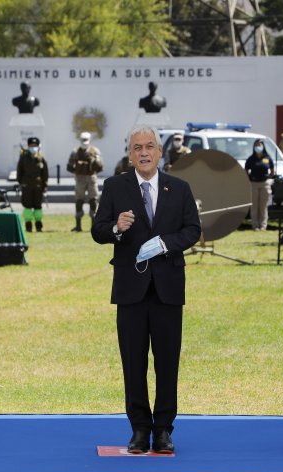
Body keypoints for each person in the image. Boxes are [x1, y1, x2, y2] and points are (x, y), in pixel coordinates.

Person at [91, 125, 201, 454]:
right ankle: (139, 429)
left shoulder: (178, 188)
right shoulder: (115, 187)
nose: (143, 152)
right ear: (129, 154)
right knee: (133, 363)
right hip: (130, 291)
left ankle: (164, 430)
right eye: (136, 147)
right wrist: (116, 227)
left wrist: (166, 244)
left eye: (149, 146)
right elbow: (98, 231)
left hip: (167, 289)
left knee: (167, 363)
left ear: (159, 152)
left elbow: (192, 229)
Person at [67, 131, 104, 232]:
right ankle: (78, 225)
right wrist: (78, 171)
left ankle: (94, 225)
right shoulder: (75, 152)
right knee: (79, 200)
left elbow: (101, 166)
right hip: (80, 178)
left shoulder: (95, 151)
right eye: (83, 140)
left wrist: (94, 165)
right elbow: (69, 166)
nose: (84, 142)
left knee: (93, 200)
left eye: (86, 140)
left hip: (91, 177)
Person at [16, 137, 49, 232]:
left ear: (38, 147)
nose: (33, 147)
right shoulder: (23, 158)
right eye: (31, 145)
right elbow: (19, 171)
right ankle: (28, 225)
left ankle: (39, 226)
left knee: (38, 206)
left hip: (38, 187)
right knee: (27, 206)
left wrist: (45, 186)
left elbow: (45, 174)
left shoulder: (41, 158)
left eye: (35, 146)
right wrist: (21, 183)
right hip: (27, 186)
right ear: (28, 146)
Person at [245, 139, 274, 230]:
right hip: (253, 183)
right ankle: (255, 225)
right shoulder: (251, 159)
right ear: (254, 147)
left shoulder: (267, 158)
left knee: (263, 206)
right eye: (256, 145)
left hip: (264, 183)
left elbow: (272, 171)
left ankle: (263, 225)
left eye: (260, 145)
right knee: (254, 205)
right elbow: (246, 171)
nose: (258, 147)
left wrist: (268, 178)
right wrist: (249, 178)